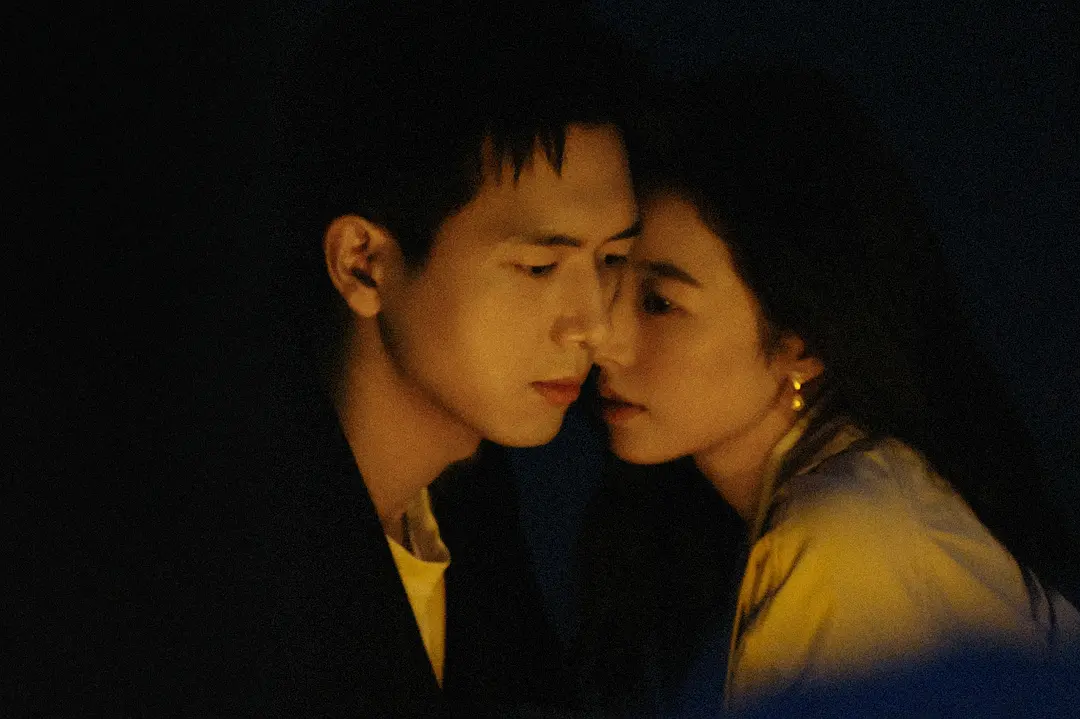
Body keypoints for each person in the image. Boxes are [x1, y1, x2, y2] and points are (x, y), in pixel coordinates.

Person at [139, 4, 641, 716]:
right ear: (363, 263)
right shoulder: (220, 573)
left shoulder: (470, 507)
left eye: (613, 259)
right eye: (538, 267)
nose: (595, 324)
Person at [581, 68, 1080, 716]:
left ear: (801, 342)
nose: (603, 336)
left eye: (659, 302)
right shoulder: (857, 501)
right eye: (609, 276)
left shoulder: (846, 540)